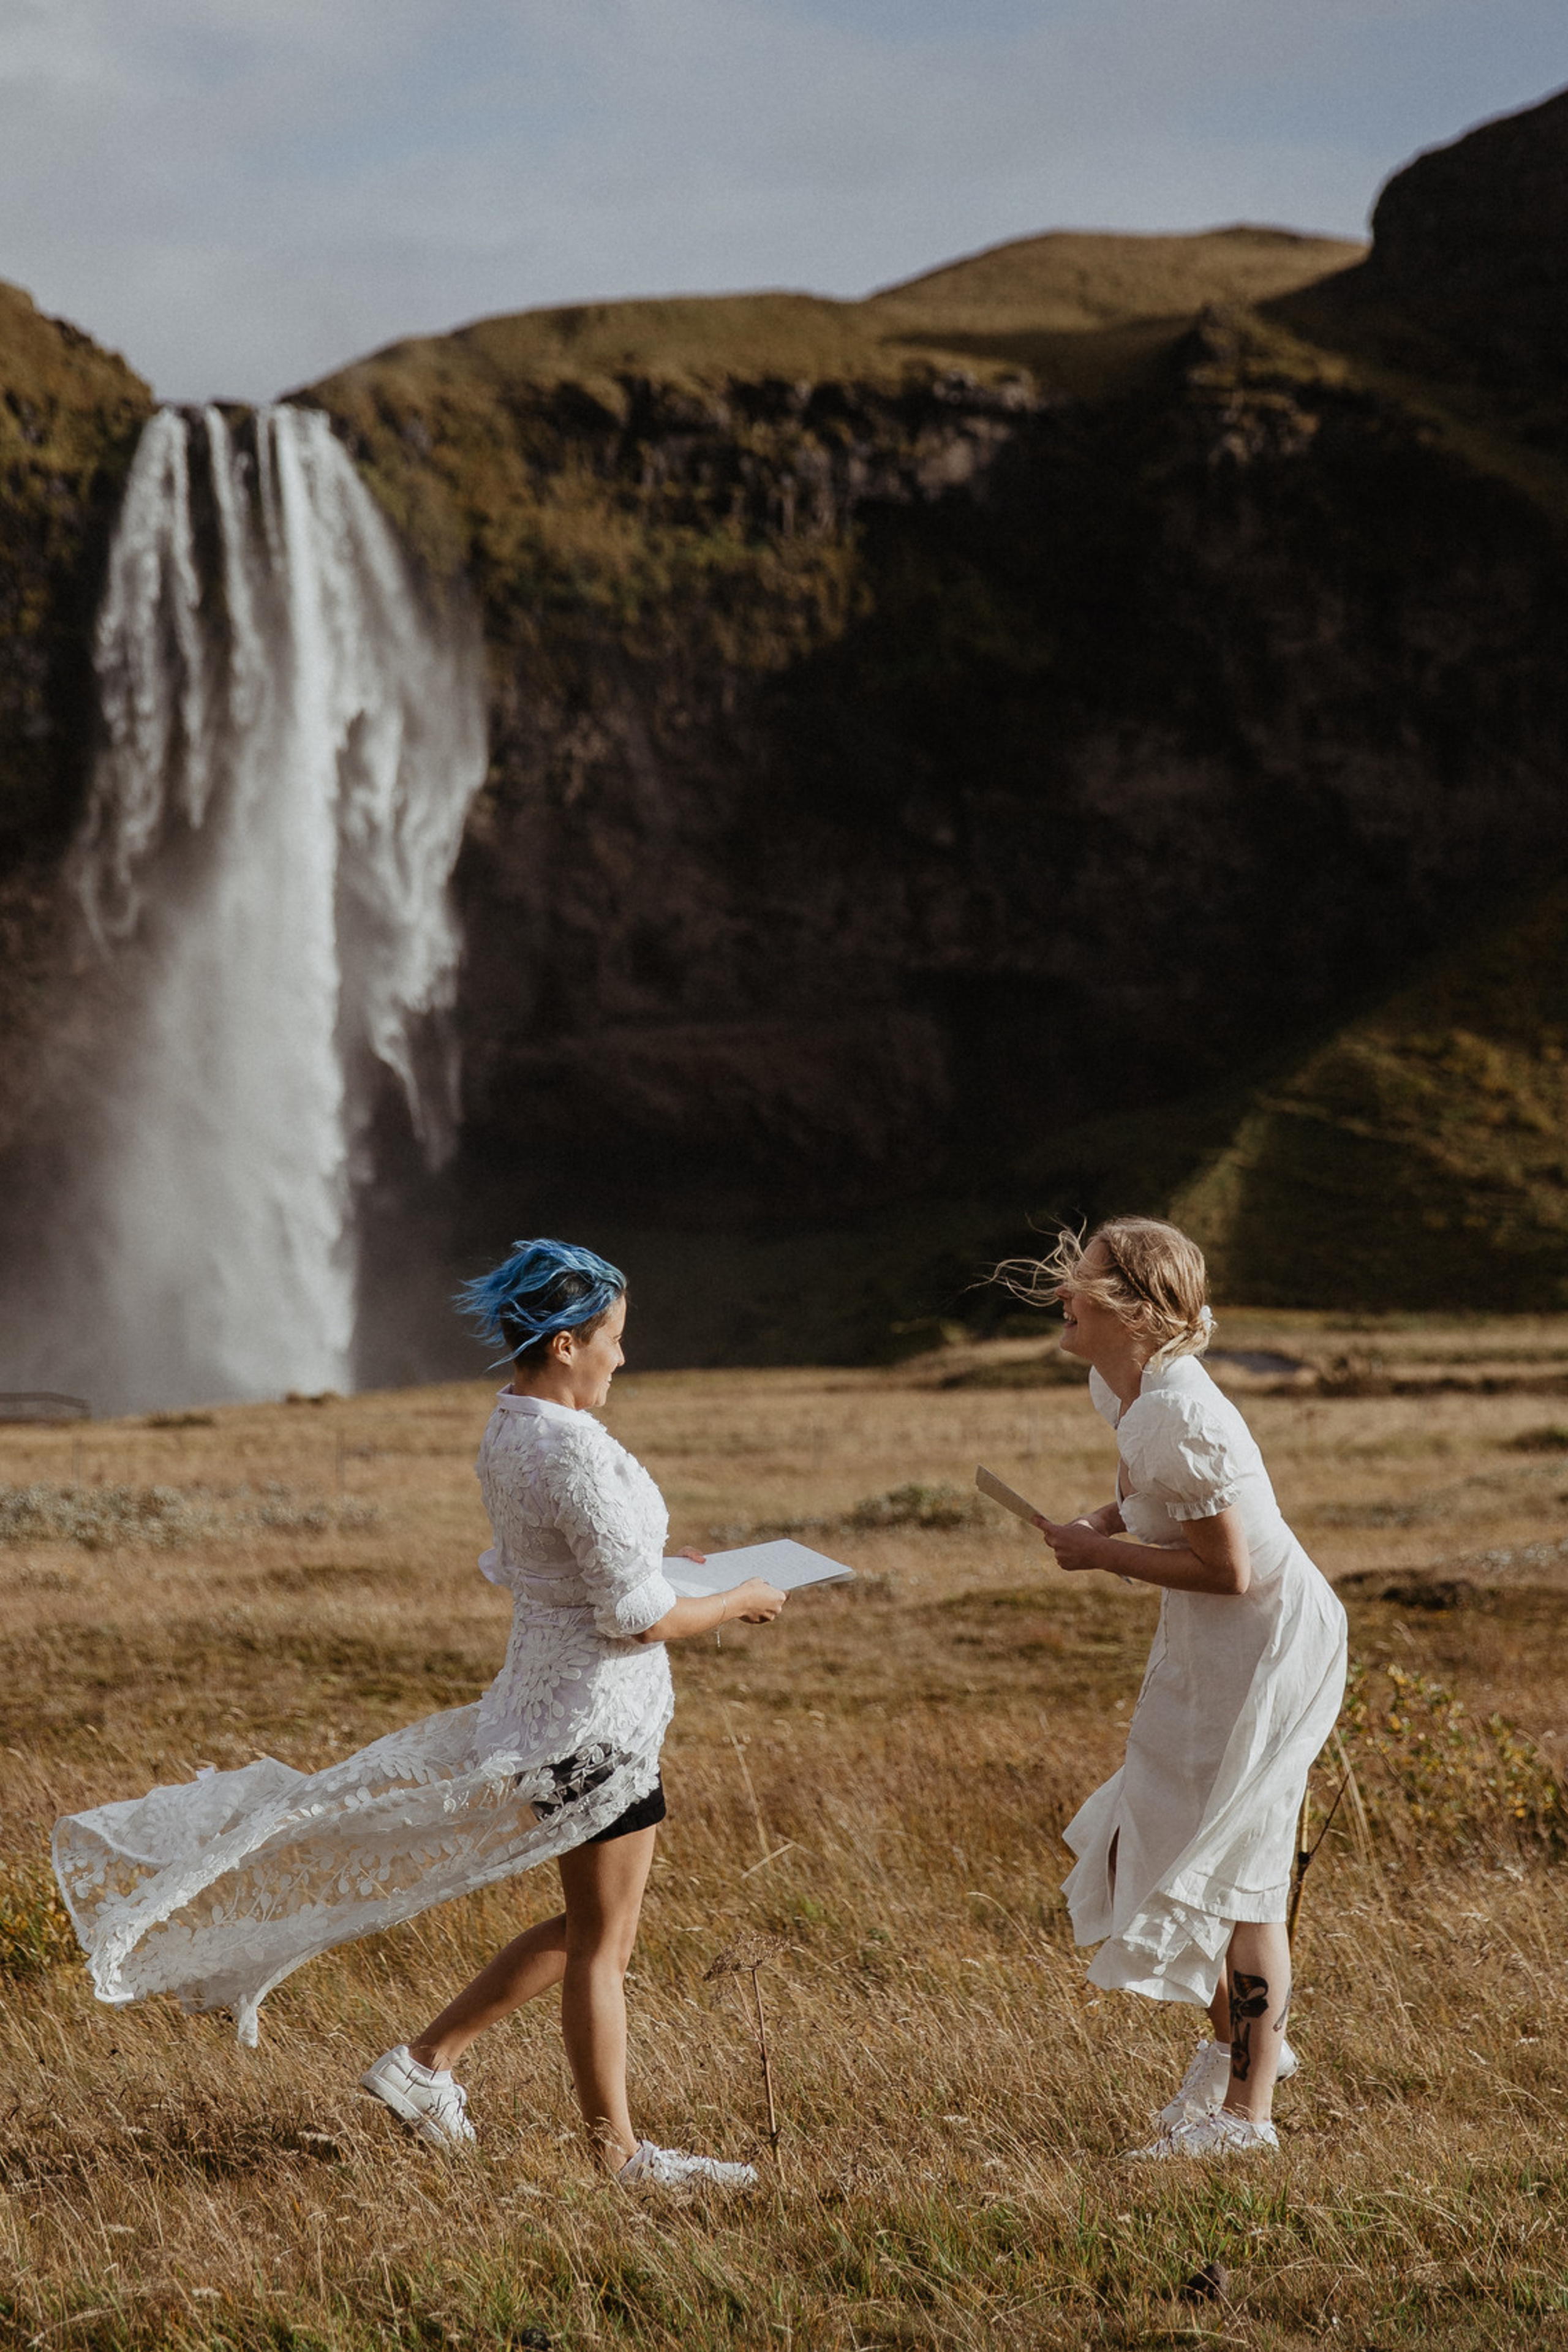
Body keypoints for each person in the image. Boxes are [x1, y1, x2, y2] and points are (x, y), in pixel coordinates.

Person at [53, 1239, 786, 2188]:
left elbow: (562, 1569)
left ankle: (427, 2065)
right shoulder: (572, 1454)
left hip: (549, 1712)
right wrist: (734, 1602)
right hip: (594, 1731)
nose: (622, 1358)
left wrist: (671, 1570)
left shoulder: (511, 1425)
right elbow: (635, 1617)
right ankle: (616, 2156)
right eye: (613, 1340)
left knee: (590, 1930)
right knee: (603, 1945)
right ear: (564, 1344)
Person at [1005, 1217, 1346, 2158]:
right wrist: (1104, 1519)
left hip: (1268, 1645)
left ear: (1135, 1309)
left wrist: (1101, 1554)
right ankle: (1239, 2052)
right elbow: (1154, 1498)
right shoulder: (1121, 1393)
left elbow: (1232, 1569)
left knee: (1245, 1875)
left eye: (1080, 1282)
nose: (1062, 1295)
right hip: (1209, 1647)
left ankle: (1248, 2118)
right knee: (1156, 1837)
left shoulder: (1183, 1415)